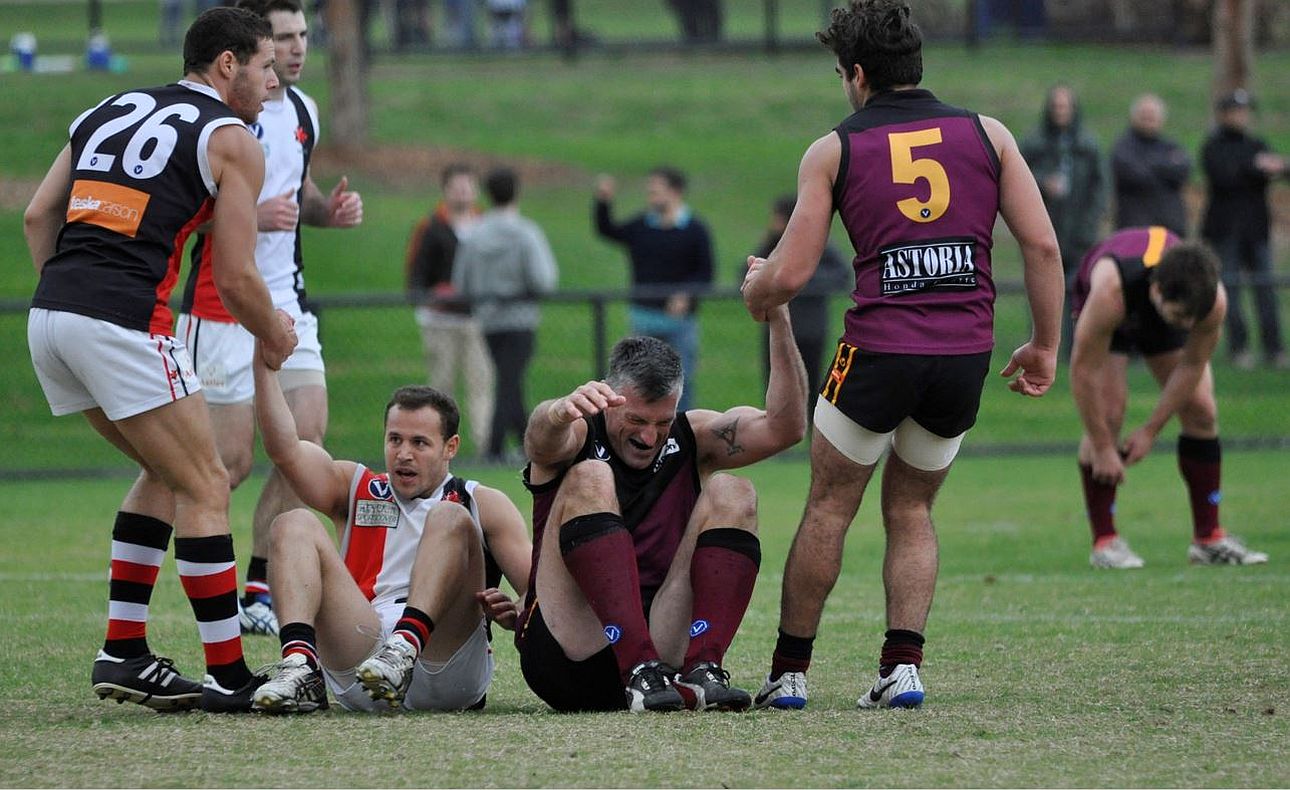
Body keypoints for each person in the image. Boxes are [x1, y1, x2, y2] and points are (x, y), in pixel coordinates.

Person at [741, 0, 1063, 710]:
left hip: (880, 349)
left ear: (857, 74)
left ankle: (790, 674)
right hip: (963, 352)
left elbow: (789, 276)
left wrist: (758, 289)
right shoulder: (990, 134)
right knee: (912, 508)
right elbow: (1041, 245)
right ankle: (902, 668)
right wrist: (1043, 346)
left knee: (829, 505)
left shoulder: (834, 149)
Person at [24, 8, 298, 712]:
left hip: (50, 317)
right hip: (120, 322)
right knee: (207, 483)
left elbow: (37, 215)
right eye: (265, 65)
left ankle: (123, 652)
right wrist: (274, 333)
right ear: (228, 65)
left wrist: (68, 296)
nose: (273, 82)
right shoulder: (234, 139)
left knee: (165, 470)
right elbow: (235, 279)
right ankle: (231, 677)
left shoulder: (106, 105)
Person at [176, 0, 364, 638]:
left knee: (305, 445)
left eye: (304, 35)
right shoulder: (223, 117)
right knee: (227, 466)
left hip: (289, 305)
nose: (297, 48)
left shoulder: (304, 111)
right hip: (220, 308)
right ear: (256, 45)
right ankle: (212, 587)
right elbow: (194, 205)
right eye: (283, 37)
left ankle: (257, 585)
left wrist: (324, 213)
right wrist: (253, 216)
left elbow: (297, 195)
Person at [516, 323, 808, 713]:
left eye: (662, 422)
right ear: (608, 396)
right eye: (636, 420)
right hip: (570, 653)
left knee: (735, 491)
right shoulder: (576, 431)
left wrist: (778, 316)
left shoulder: (693, 436)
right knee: (591, 474)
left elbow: (785, 428)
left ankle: (702, 667)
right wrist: (555, 412)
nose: (649, 437)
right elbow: (539, 443)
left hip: (663, 662)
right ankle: (636, 664)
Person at [248, 348, 532, 713]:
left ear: (451, 447)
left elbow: (536, 595)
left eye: (419, 443)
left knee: (450, 516)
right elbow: (285, 451)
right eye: (395, 439)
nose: (403, 454)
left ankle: (405, 646)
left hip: (443, 663)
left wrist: (515, 615)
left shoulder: (481, 501)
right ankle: (300, 667)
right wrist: (266, 366)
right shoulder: (356, 486)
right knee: (291, 523)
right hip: (363, 660)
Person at [1070, 227, 1269, 569]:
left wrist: (1150, 430)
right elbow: (1082, 371)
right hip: (1113, 309)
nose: (1186, 326)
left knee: (1203, 410)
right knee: (1110, 411)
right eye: (1180, 318)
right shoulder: (1110, 291)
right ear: (1157, 290)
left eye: (1190, 321)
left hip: (1159, 308)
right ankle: (1105, 541)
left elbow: (1191, 366)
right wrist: (1104, 447)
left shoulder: (1210, 300)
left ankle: (1208, 538)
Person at [452, 167, 559, 464]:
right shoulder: (526, 233)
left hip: (489, 321)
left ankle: (528, 445)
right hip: (521, 319)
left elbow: (461, 282)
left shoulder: (475, 235)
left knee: (508, 380)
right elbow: (544, 279)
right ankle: (496, 449)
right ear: (517, 193)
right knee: (509, 383)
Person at [594, 166, 714, 412]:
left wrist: (686, 294)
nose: (651, 197)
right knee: (638, 380)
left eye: (656, 191)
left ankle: (680, 430)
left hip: (678, 322)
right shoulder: (642, 227)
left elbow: (705, 272)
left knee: (681, 382)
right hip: (643, 319)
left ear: (675, 192)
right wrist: (603, 202)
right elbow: (608, 230)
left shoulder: (694, 230)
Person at [406, 163, 495, 455]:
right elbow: (415, 276)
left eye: (468, 185)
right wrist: (436, 295)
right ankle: (438, 448)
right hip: (440, 320)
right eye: (456, 186)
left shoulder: (486, 224)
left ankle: (486, 448)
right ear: (445, 190)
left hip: (477, 320)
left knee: (480, 382)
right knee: (441, 387)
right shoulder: (431, 226)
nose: (463, 192)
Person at [1200, 89, 1288, 370]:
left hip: (1256, 231)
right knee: (1231, 292)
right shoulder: (1214, 146)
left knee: (1266, 290)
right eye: (1236, 111)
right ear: (1224, 115)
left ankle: (1274, 348)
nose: (1242, 116)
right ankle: (1239, 348)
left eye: (1245, 111)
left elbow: (1279, 168)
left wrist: (1278, 166)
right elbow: (1224, 176)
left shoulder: (1256, 143)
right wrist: (1256, 168)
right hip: (1225, 231)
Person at [1021, 84, 1106, 358]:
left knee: (1078, 292)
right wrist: (1043, 183)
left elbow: (1100, 188)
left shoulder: (1087, 146)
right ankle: (1042, 346)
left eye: (1065, 106)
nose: (1061, 112)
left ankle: (1076, 349)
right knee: (1044, 293)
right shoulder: (1034, 144)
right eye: (1056, 106)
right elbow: (1016, 179)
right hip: (1045, 230)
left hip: (1079, 234)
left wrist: (1089, 225)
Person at [749, 194, 852, 404]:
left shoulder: (817, 244)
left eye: (776, 217)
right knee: (774, 384)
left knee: (812, 383)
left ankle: (815, 430)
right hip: (776, 329)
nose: (773, 222)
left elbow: (842, 276)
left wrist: (797, 277)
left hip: (811, 328)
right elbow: (748, 273)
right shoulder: (773, 246)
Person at [1112, 94, 1192, 237]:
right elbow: (1134, 175)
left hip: (1170, 230)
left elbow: (1183, 172)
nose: (1149, 119)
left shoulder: (1171, 145)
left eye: (1153, 114)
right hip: (1135, 231)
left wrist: (1148, 163)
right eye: (1144, 114)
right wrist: (1165, 166)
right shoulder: (1123, 147)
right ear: (1133, 117)